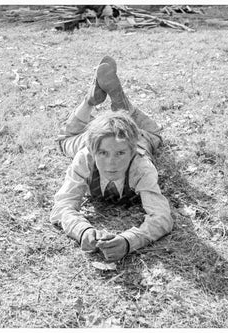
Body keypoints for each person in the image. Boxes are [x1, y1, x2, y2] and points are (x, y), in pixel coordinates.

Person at [50, 56, 173, 262]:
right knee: (65, 140)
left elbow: (162, 217)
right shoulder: (85, 157)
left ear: (131, 152)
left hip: (138, 138)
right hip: (91, 140)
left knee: (155, 135)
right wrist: (82, 230)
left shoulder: (140, 165)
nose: (111, 163)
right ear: (93, 151)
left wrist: (129, 241)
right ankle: (90, 99)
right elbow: (62, 206)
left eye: (120, 154)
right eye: (103, 154)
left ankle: (123, 104)